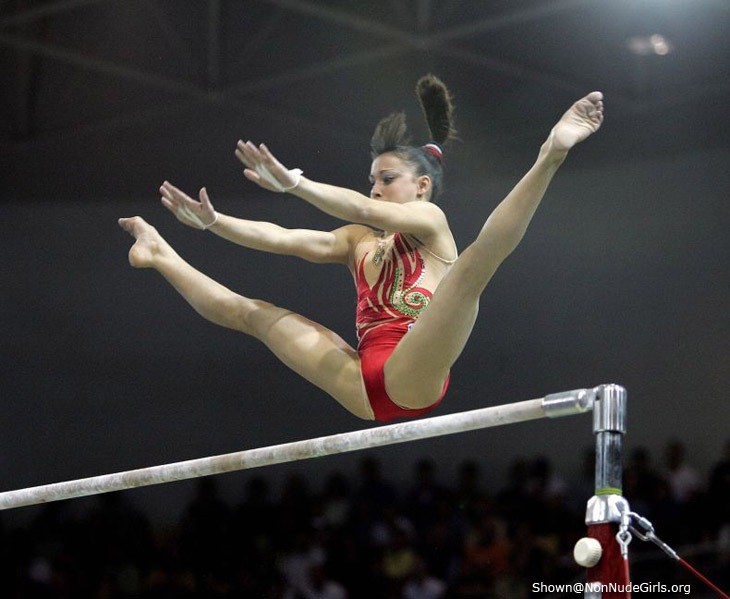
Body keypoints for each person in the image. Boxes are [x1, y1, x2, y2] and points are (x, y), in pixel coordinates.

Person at [118, 75, 603, 422]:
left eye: (386, 179)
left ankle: (550, 154)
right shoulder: (356, 241)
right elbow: (283, 239)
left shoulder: (429, 222)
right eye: (371, 180)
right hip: (361, 382)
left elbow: (368, 211)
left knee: (474, 266)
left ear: (422, 187)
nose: (374, 189)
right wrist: (214, 221)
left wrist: (296, 184)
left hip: (415, 369)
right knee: (253, 315)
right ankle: (161, 255)